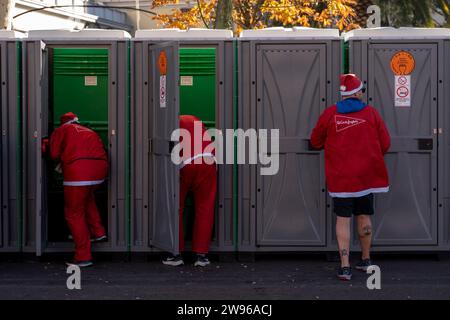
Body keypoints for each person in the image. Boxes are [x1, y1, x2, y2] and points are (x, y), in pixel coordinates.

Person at [310, 74, 390, 281]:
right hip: (366, 177)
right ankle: (365, 259)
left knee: (343, 219)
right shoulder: (371, 113)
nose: (363, 93)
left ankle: (345, 267)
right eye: (362, 90)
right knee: (364, 215)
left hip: (341, 178)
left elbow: (315, 141)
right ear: (358, 92)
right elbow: (386, 144)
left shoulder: (330, 114)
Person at [47, 112, 108, 267]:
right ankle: (98, 232)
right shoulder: (88, 130)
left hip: (79, 173)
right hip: (100, 171)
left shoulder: (61, 130)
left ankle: (83, 256)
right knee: (87, 198)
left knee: (73, 212)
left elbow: (53, 153)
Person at [163, 115, 217, 267]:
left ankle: (175, 254)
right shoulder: (198, 123)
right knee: (205, 208)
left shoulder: (174, 123)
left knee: (176, 207)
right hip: (208, 162)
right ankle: (202, 256)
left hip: (186, 164)